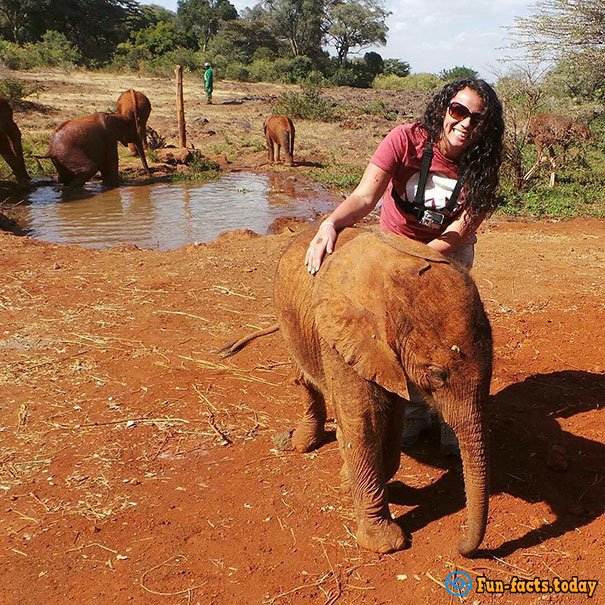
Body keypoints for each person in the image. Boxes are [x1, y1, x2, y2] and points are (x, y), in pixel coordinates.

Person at [304, 78, 505, 455]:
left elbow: (461, 230)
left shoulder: (483, 167)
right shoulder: (405, 139)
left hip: (447, 252)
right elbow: (365, 196)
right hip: (393, 248)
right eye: (458, 112)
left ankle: (451, 415)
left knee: (447, 336)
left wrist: (425, 261)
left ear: (486, 128)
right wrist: (331, 223)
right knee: (397, 333)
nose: (465, 124)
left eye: (477, 120)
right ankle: (413, 410)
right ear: (444, 109)